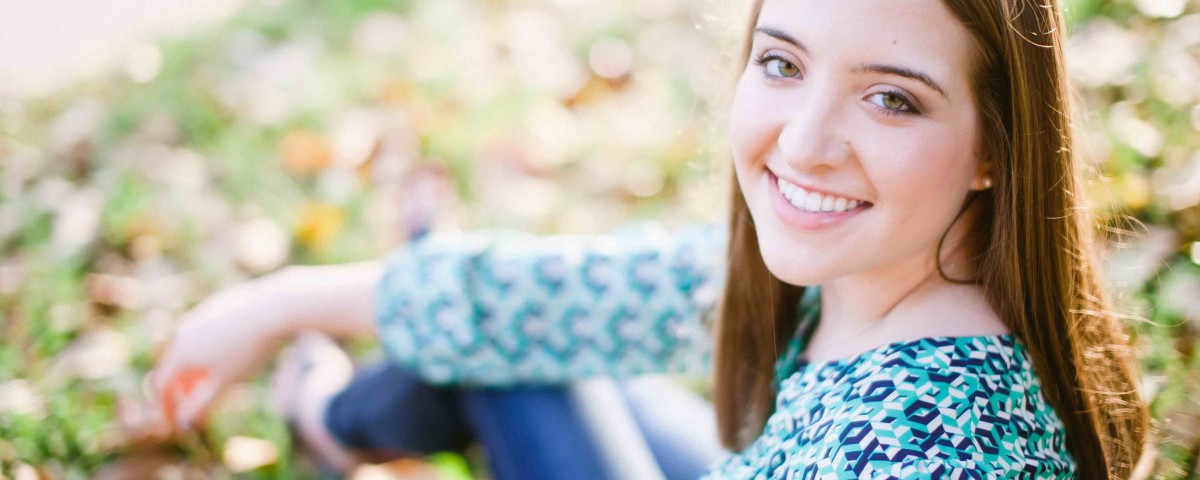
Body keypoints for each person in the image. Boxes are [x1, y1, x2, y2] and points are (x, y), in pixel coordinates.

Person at [151, 0, 1152, 478]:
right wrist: (270, 301)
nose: (804, 144)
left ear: (996, 148)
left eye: (892, 99)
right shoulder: (884, 265)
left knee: (516, 357)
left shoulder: (927, 451)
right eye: (783, 64)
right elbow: (593, 295)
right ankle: (353, 409)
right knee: (534, 329)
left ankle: (336, 415)